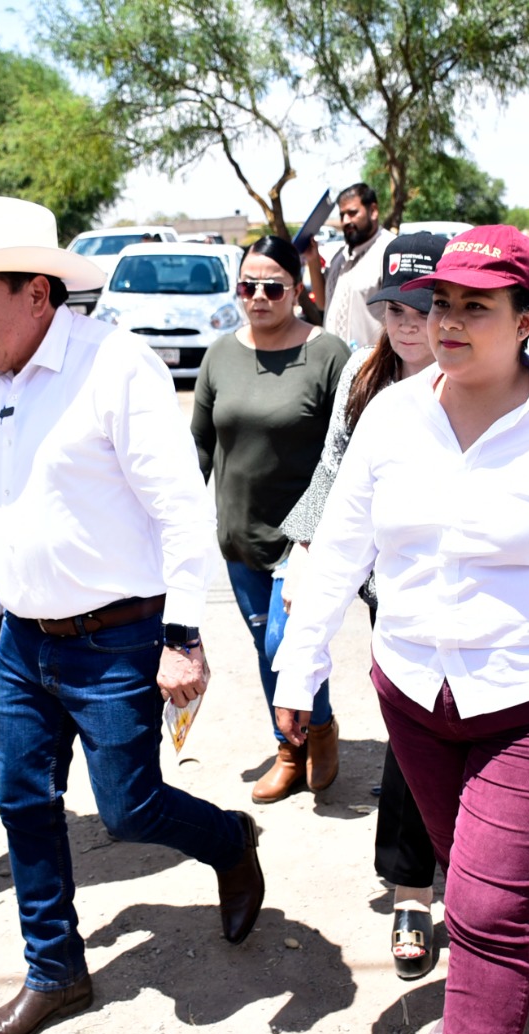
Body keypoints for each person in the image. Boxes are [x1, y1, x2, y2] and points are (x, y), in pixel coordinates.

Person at [274, 225, 529, 1034]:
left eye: (475, 308)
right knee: (475, 882)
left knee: (487, 909)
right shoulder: (393, 415)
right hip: (416, 698)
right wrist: (299, 666)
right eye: (441, 304)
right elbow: (342, 549)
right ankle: (483, 1010)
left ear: (528, 319)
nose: (448, 323)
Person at [0, 196, 266, 1034]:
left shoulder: (117, 366)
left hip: (119, 638)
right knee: (22, 800)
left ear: (38, 294)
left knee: (130, 809)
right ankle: (54, 969)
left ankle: (227, 840)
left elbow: (180, 511)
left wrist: (183, 636)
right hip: (26, 641)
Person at [275, 230, 447, 980]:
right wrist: (303, 556)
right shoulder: (364, 381)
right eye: (392, 308)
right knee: (413, 734)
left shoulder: (489, 378)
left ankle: (483, 876)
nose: (406, 324)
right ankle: (412, 891)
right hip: (392, 590)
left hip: (488, 599)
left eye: (423, 306)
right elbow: (333, 475)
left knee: (474, 738)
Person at [191, 235, 350, 803]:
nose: (258, 297)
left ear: (296, 289)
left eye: (272, 287)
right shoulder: (220, 354)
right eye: (247, 286)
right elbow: (200, 447)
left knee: (287, 641)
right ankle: (292, 747)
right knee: (266, 645)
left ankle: (319, 729)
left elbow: (346, 450)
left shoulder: (329, 354)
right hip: (239, 536)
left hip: (303, 539)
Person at [304, 183, 396, 348]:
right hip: (337, 364)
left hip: (374, 367)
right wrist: (313, 260)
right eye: (342, 215)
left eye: (352, 213)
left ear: (373, 211)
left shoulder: (391, 252)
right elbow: (322, 303)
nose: (346, 221)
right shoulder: (340, 257)